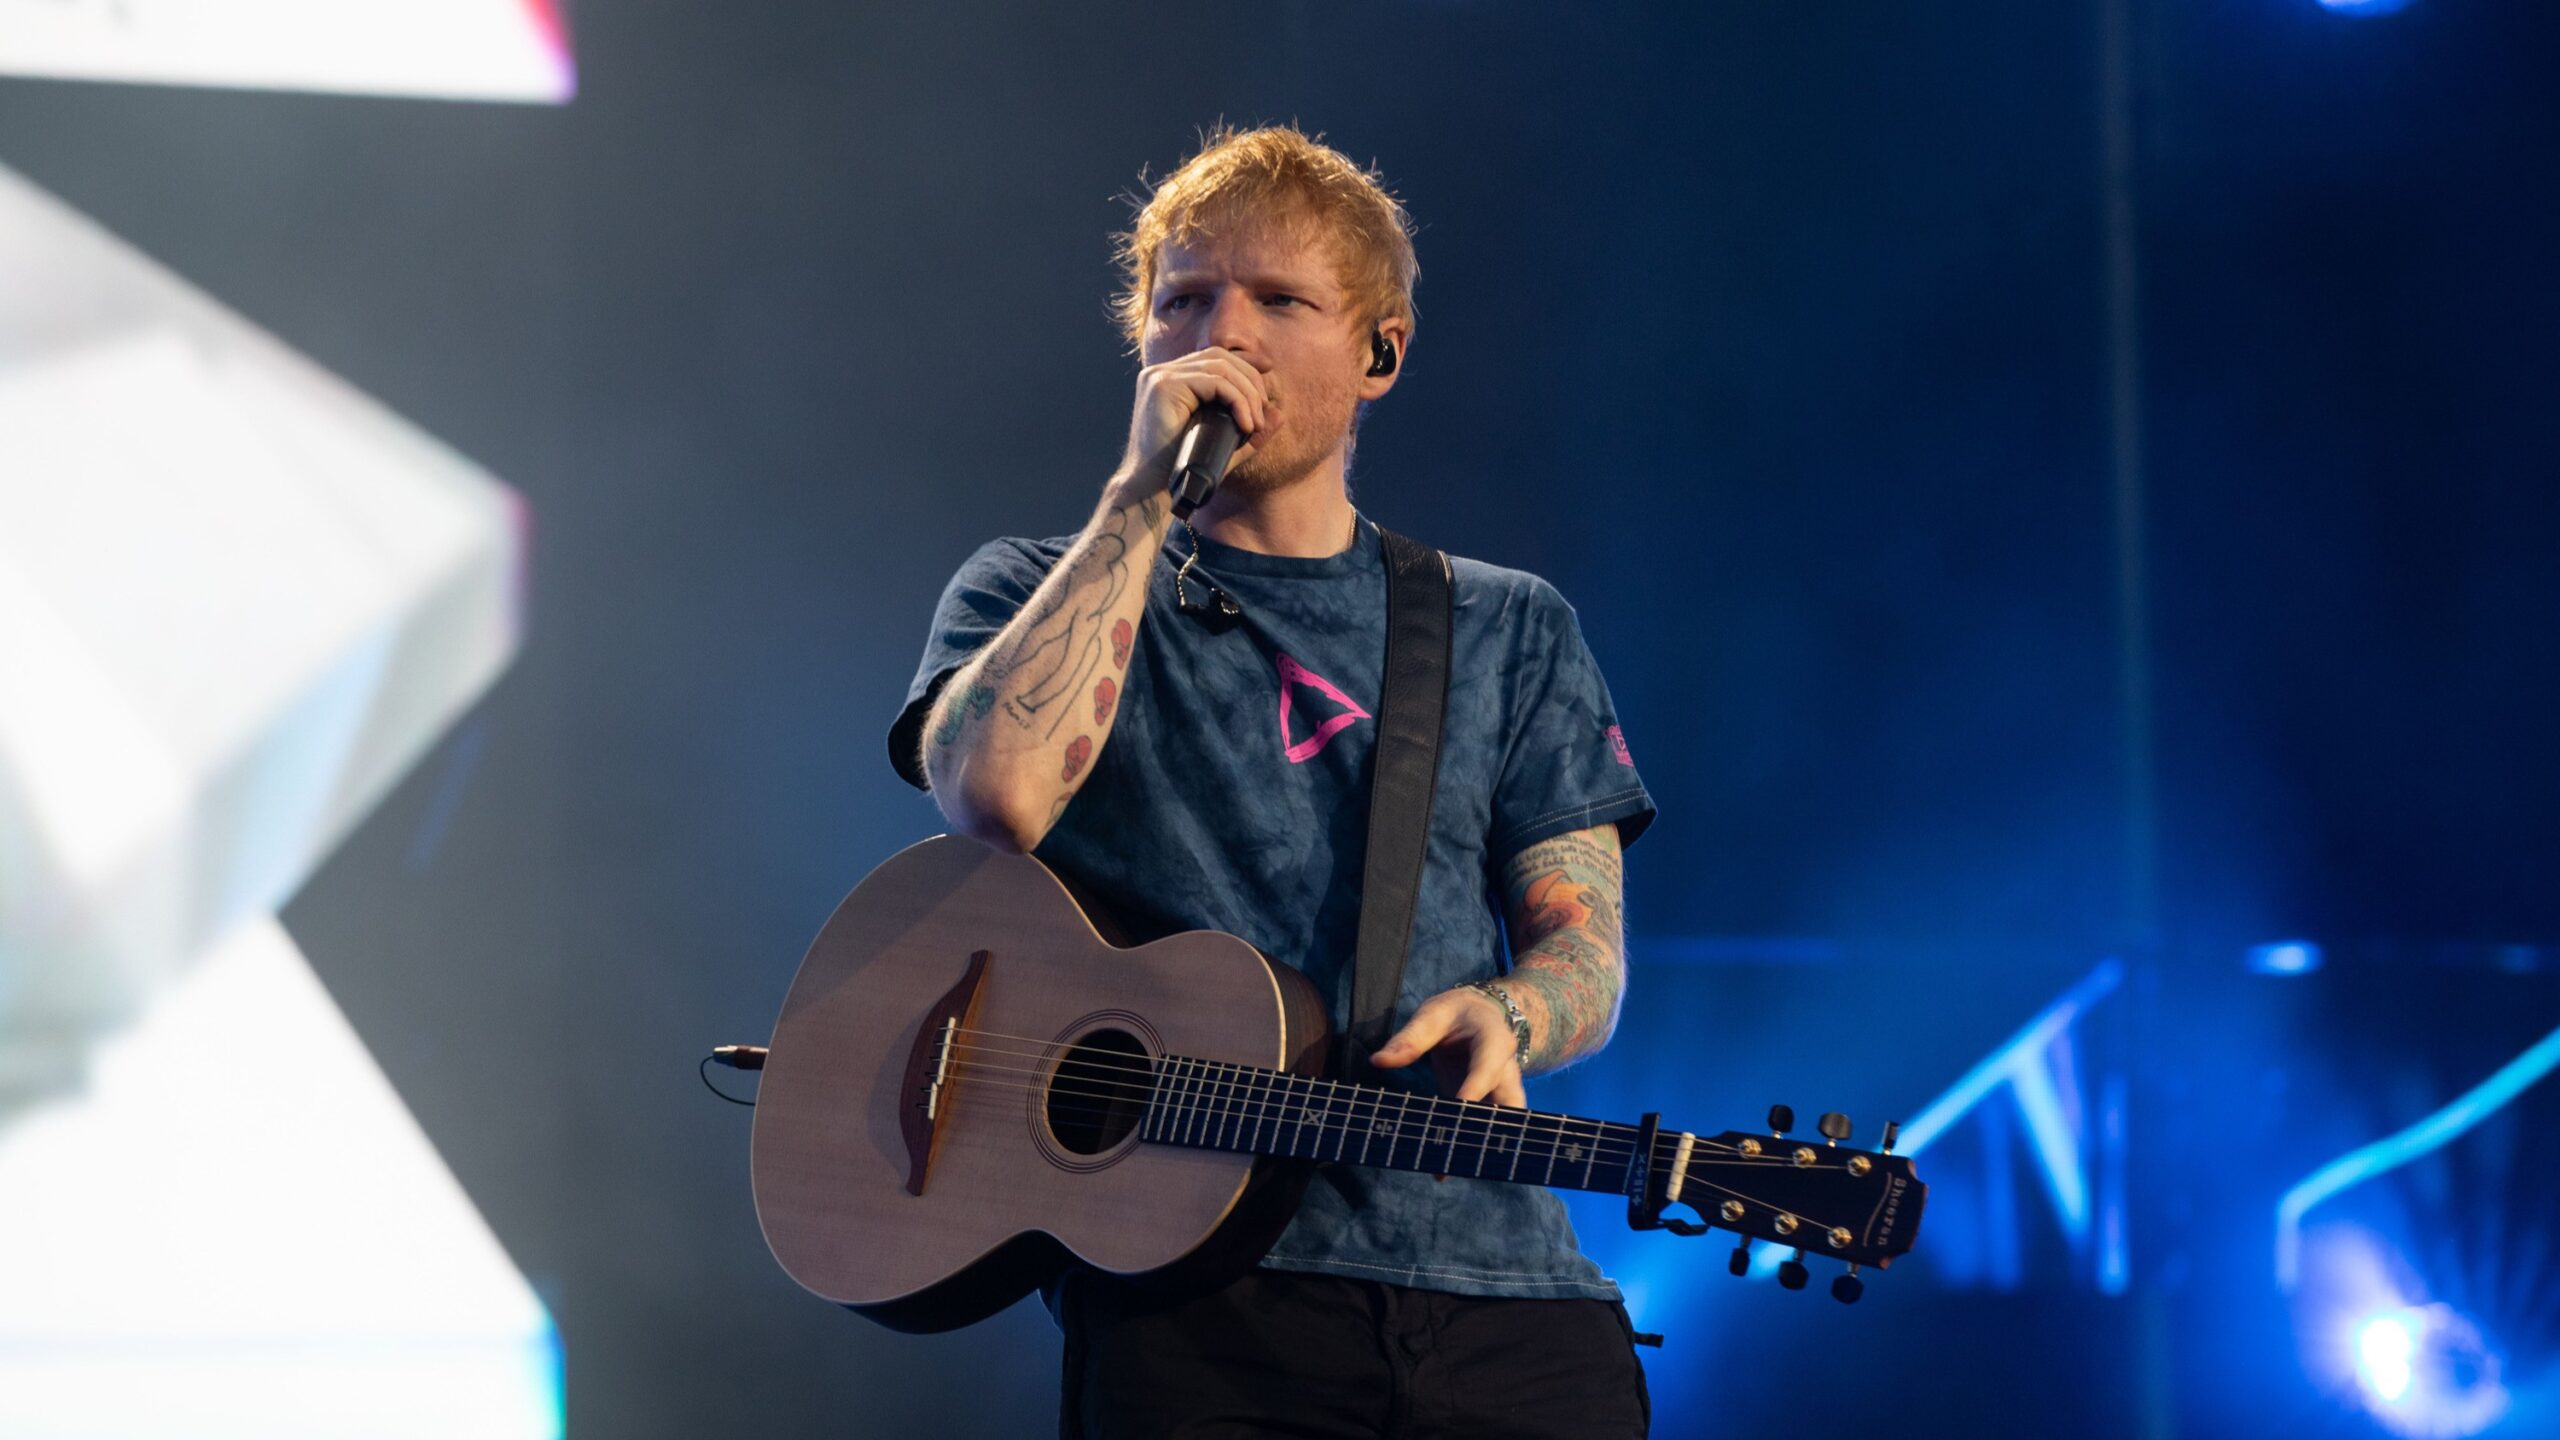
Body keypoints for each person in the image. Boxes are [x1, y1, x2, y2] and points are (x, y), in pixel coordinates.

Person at [888, 125, 1655, 1439]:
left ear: (1379, 353)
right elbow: (995, 795)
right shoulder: (1027, 588)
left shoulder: (1508, 627)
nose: (1222, 335)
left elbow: (1585, 954)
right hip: (1197, 1307)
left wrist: (1515, 1019)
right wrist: (1139, 494)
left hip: (1504, 1300)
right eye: (1184, 299)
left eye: (1278, 299)